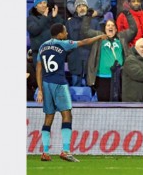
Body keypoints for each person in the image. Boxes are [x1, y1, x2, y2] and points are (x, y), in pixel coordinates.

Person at [36, 23, 106, 162]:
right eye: (65, 32)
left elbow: (39, 69)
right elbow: (84, 42)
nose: (67, 34)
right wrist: (99, 37)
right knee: (67, 115)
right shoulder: (63, 44)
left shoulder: (42, 46)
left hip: (46, 84)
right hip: (59, 84)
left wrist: (40, 90)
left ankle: (45, 152)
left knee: (48, 118)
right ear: (60, 34)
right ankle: (66, 151)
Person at [81, 8, 137, 102]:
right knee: (103, 104)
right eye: (108, 25)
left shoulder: (122, 37)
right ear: (105, 28)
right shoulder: (99, 37)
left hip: (119, 77)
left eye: (112, 25)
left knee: (118, 104)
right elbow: (85, 31)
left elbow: (133, 29)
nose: (110, 27)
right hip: (102, 78)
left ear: (115, 29)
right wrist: (87, 16)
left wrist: (128, 14)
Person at [27, 0, 65, 68]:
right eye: (40, 3)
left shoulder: (52, 16)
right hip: (38, 53)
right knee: (40, 77)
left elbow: (62, 29)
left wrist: (55, 17)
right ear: (35, 6)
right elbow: (34, 30)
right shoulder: (30, 19)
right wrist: (45, 17)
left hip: (53, 51)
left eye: (44, 2)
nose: (43, 5)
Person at [65, 0, 92, 86]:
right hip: (75, 58)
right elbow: (66, 40)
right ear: (76, 9)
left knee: (89, 89)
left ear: (87, 8)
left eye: (83, 6)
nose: (81, 8)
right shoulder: (69, 22)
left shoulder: (94, 21)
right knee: (76, 88)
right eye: (79, 6)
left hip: (89, 59)